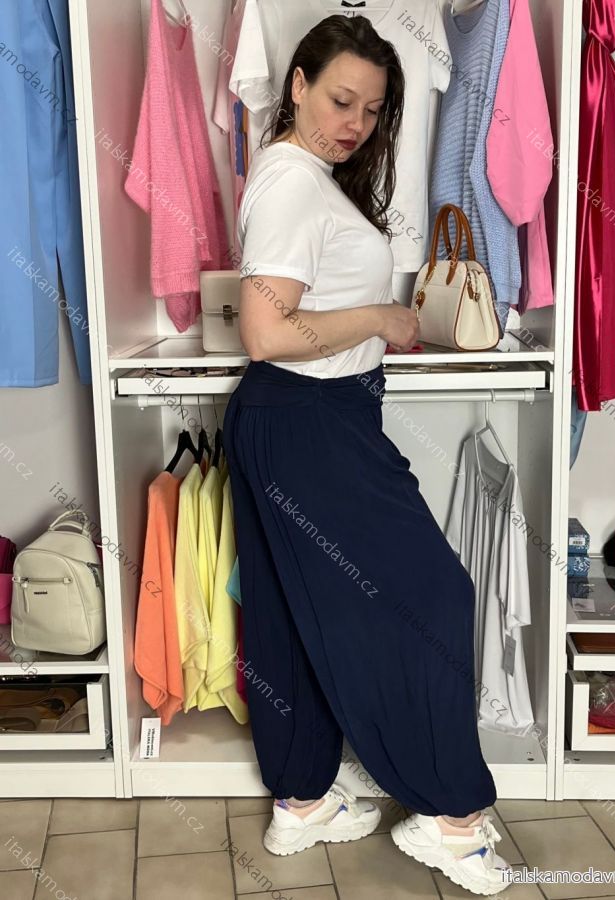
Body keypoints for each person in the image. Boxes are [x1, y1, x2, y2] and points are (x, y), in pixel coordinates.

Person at [222, 14, 512, 896]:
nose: (355, 122)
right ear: (297, 84)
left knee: (288, 616)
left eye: (373, 109)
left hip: (310, 418)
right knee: (435, 595)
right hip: (307, 419)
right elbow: (266, 331)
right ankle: (450, 821)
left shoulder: (306, 176)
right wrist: (384, 319)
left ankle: (302, 801)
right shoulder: (289, 182)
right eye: (340, 100)